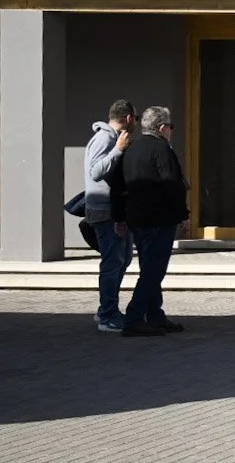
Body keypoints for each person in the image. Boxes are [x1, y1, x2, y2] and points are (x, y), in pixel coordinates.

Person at [117, 105, 190, 336]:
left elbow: (118, 185)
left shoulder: (132, 149)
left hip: (138, 218)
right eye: (170, 126)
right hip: (159, 217)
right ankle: (134, 317)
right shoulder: (162, 149)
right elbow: (172, 183)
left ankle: (155, 315)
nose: (171, 131)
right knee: (153, 272)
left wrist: (120, 216)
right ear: (162, 127)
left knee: (149, 267)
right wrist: (183, 215)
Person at [83, 99, 136, 332]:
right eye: (135, 117)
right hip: (105, 212)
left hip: (115, 211)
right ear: (128, 118)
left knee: (122, 260)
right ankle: (107, 315)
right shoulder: (105, 139)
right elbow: (95, 172)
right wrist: (118, 150)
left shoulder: (112, 138)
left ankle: (108, 309)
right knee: (113, 263)